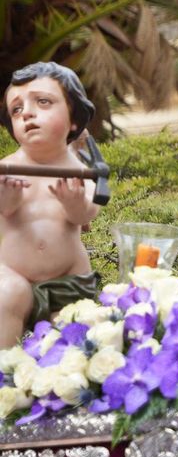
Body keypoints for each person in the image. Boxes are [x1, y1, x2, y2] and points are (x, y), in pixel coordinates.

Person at [0, 63, 100, 346]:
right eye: (16, 109)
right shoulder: (6, 170)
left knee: (75, 336)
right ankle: (5, 374)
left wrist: (75, 204)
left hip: (69, 279)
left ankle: (62, 382)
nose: (27, 113)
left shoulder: (81, 171)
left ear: (73, 118)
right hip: (13, 275)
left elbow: (89, 212)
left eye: (42, 102)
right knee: (5, 294)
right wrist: (5, 202)